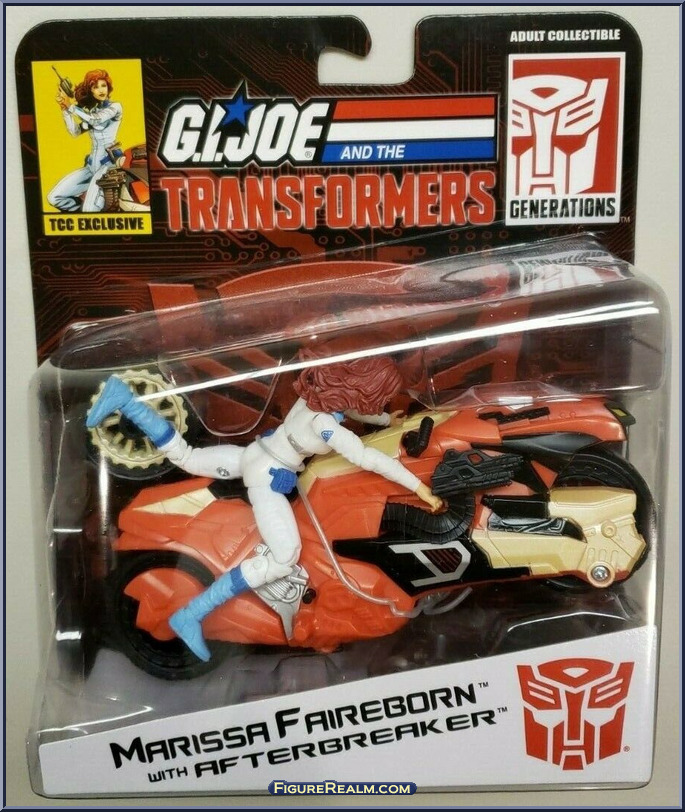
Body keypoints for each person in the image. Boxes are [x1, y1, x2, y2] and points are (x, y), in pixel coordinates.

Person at [87, 354, 443, 661]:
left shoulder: (315, 397)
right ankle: (191, 614)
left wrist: (386, 421)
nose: (378, 401)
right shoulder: (326, 427)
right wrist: (419, 488)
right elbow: (370, 459)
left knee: (187, 456)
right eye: (379, 395)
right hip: (266, 479)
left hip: (253, 454)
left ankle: (125, 400)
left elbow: (351, 410)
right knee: (285, 557)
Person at [48, 69, 123, 213]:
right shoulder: (91, 113)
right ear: (91, 91)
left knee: (90, 210)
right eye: (96, 87)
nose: (101, 90)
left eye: (103, 85)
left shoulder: (115, 108)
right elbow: (75, 131)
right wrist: (64, 109)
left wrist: (71, 107)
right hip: (91, 166)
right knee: (54, 197)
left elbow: (96, 120)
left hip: (107, 167)